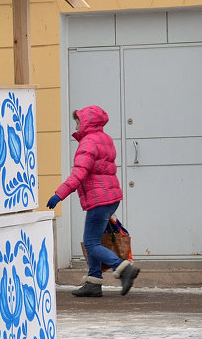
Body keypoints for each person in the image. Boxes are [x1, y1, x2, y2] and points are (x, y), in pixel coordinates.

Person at [46, 105, 140, 297]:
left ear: (87, 122)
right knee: (95, 240)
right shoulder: (104, 138)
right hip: (111, 198)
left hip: (100, 200)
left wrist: (59, 194)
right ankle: (93, 282)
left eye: (78, 121)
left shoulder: (88, 142)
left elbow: (79, 173)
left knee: (91, 244)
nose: (77, 125)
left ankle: (123, 268)